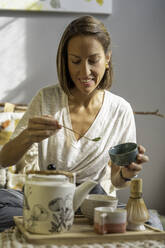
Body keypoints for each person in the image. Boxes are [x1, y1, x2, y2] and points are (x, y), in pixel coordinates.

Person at [0, 15, 150, 231]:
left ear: (107, 58)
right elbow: (4, 160)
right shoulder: (46, 99)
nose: (84, 72)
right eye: (76, 61)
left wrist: (127, 173)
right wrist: (27, 136)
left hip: (93, 203)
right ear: (65, 60)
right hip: (49, 199)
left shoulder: (120, 110)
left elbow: (117, 181)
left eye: (93, 60)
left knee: (149, 223)